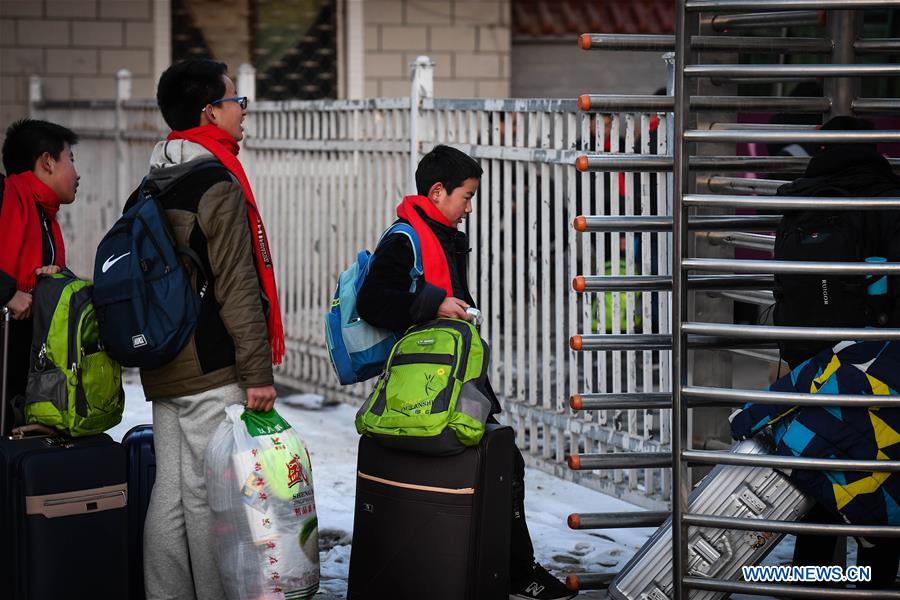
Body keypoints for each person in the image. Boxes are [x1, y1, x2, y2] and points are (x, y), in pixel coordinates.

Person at [356, 145, 575, 600]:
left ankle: (481, 565)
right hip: (431, 381)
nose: (470, 208)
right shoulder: (406, 239)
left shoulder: (439, 235)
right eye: (467, 197)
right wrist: (434, 303)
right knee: (501, 462)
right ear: (438, 192)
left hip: (451, 374)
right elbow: (373, 301)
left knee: (496, 462)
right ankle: (513, 573)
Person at [140, 58, 283, 600]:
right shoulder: (216, 182)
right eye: (235, 101)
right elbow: (237, 287)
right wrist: (257, 373)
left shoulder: (154, 178)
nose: (242, 111)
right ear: (209, 111)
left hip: (165, 362)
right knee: (210, 499)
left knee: (171, 494)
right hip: (209, 366)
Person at [766, 115, 900, 587]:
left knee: (818, 468)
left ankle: (810, 579)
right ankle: (875, 585)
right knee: (879, 470)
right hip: (874, 359)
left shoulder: (802, 197)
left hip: (809, 357)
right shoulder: (887, 197)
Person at [0, 119, 79, 434]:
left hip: (21, 374)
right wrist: (7, 292)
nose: (77, 173)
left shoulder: (44, 215)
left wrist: (52, 278)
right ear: (47, 162)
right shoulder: (5, 197)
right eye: (70, 159)